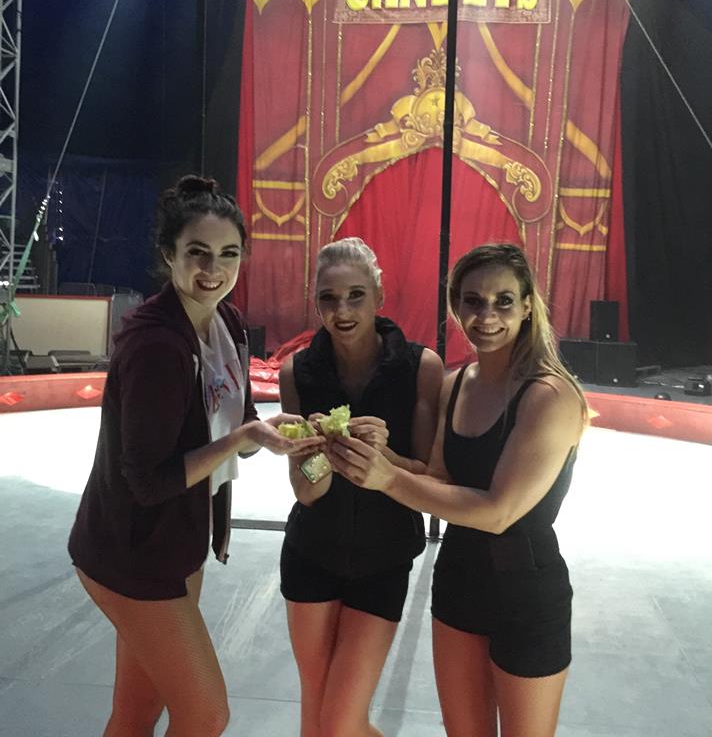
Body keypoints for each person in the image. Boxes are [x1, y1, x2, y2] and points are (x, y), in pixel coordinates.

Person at [68, 175, 321, 737]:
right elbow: (148, 483)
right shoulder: (156, 346)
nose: (214, 269)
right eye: (198, 253)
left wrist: (269, 431)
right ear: (168, 255)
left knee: (136, 712)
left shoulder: (225, 324)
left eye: (229, 254)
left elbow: (234, 422)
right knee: (206, 714)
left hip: (176, 544)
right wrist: (240, 439)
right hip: (131, 551)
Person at [329, 243, 586, 737]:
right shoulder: (458, 381)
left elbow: (498, 512)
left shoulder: (550, 395)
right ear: (455, 306)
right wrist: (378, 458)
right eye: (472, 301)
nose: (486, 315)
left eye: (503, 301)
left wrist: (388, 479)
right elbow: (441, 480)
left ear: (528, 305)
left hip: (527, 593)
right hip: (459, 582)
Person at [278, 237, 444, 737]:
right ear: (316, 304)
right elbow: (304, 492)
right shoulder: (297, 372)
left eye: (355, 295)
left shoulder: (421, 367)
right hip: (310, 556)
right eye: (328, 298)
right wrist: (320, 461)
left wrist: (384, 457)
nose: (342, 310)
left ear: (379, 295)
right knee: (316, 714)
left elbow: (431, 479)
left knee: (341, 721)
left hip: (383, 560)